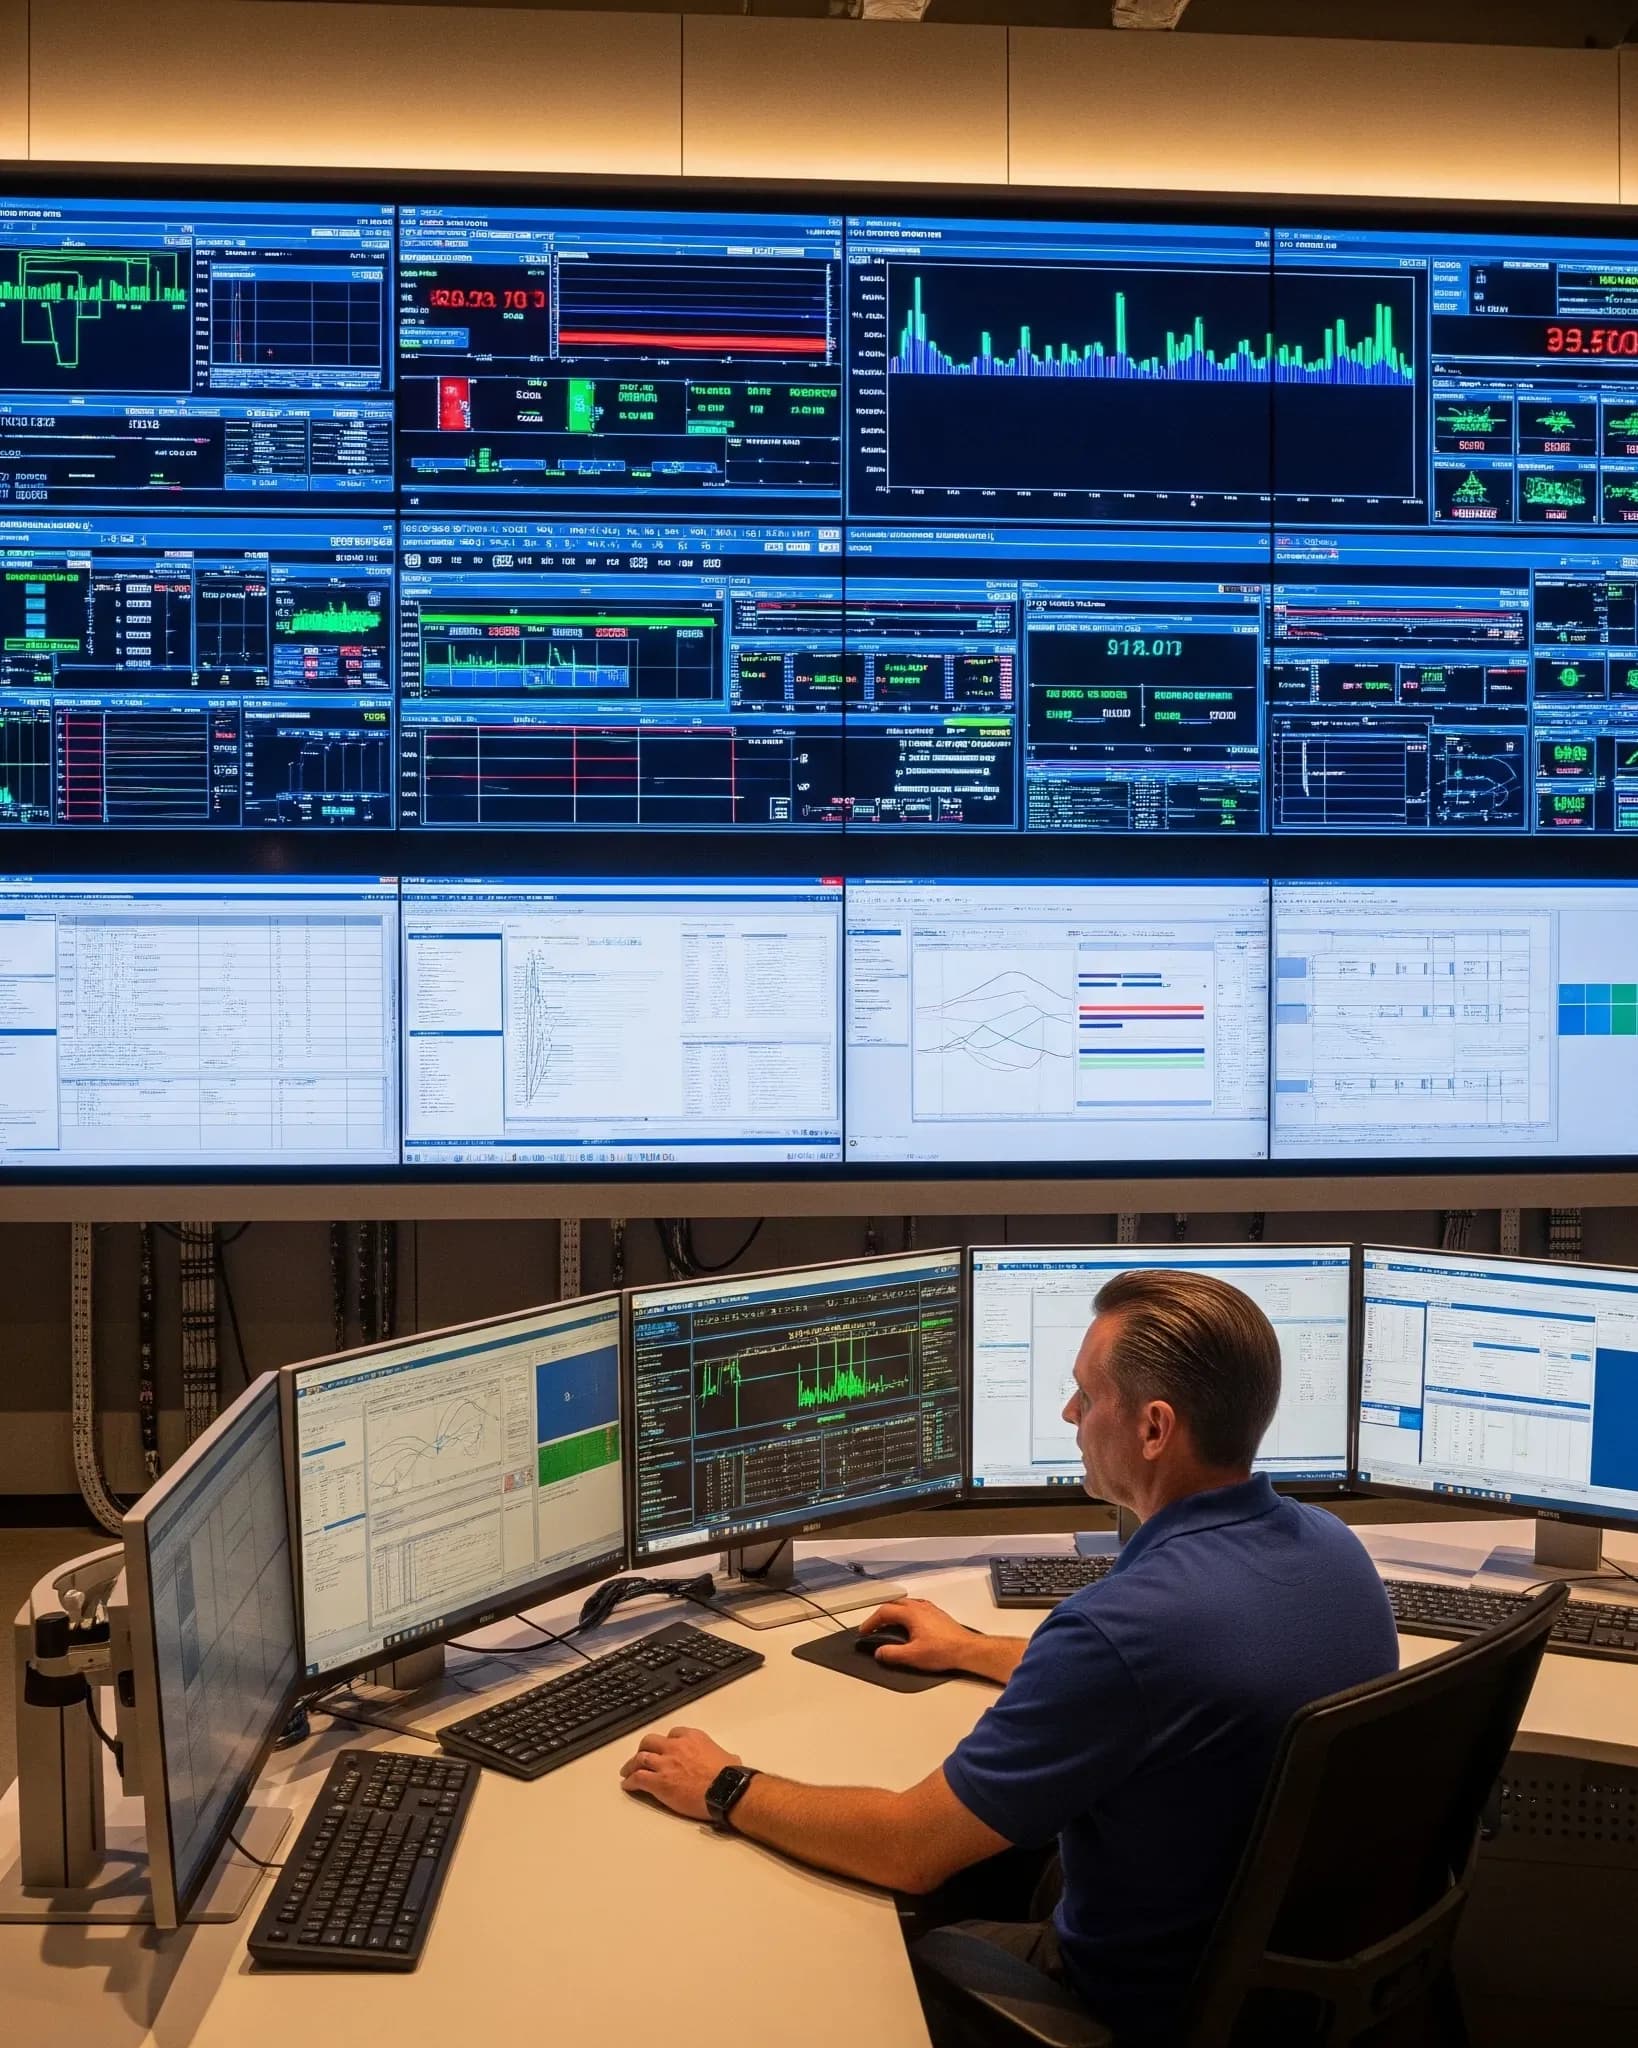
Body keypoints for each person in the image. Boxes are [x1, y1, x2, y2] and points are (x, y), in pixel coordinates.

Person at [618, 1268, 1399, 2042]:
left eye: (1086, 1396)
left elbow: (908, 1848)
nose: (1070, 1413)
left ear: (1154, 1429)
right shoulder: (1335, 1552)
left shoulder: (1117, 1632)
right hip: (1281, 1993)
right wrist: (972, 1648)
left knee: (850, 1949)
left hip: (1134, 2006)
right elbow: (1162, 1686)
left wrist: (725, 1785)